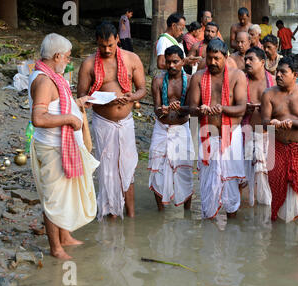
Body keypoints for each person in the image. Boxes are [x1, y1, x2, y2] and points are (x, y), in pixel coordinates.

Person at [29, 33, 99, 260]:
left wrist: (76, 105)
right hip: (51, 147)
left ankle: (65, 237)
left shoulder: (51, 76)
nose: (68, 61)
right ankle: (56, 248)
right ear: (57, 55)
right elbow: (38, 118)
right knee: (54, 199)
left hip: (60, 145)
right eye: (67, 58)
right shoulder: (44, 81)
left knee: (63, 194)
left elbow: (58, 105)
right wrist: (70, 119)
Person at [77, 22, 147, 220]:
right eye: (101, 46)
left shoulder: (132, 59)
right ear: (96, 43)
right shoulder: (89, 64)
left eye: (110, 45)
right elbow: (81, 95)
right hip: (103, 122)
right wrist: (99, 98)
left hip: (126, 121)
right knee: (107, 170)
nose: (106, 50)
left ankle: (131, 215)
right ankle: (110, 214)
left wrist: (130, 97)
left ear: (117, 39)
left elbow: (142, 89)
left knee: (128, 167)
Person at [188, 39, 247, 220]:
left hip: (231, 136)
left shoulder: (237, 76)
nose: (212, 62)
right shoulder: (198, 77)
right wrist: (200, 109)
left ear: (226, 57)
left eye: (217, 58)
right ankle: (209, 227)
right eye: (209, 58)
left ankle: (232, 228)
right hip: (208, 135)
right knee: (208, 184)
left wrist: (223, 108)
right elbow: (191, 107)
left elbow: (241, 108)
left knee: (230, 184)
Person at [261, 56, 298, 222]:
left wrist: (291, 123)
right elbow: (264, 123)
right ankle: (279, 229)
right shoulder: (268, 94)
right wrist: (273, 123)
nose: (278, 75)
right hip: (276, 147)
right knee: (276, 185)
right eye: (277, 71)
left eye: (283, 72)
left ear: (295, 75)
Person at [148, 46, 194, 211]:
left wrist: (180, 108)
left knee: (184, 170)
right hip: (162, 128)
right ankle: (160, 211)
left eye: (175, 62)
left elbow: (191, 108)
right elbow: (156, 109)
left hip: (182, 129)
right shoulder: (158, 81)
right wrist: (163, 110)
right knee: (157, 169)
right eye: (168, 62)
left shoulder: (190, 80)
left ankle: (187, 211)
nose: (172, 66)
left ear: (183, 61)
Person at [243, 47, 275, 206]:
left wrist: (268, 110)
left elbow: (283, 110)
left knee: (266, 175)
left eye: (251, 59)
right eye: (245, 59)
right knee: (243, 177)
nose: (247, 62)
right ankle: (246, 212)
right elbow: (229, 105)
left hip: (267, 135)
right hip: (245, 134)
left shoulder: (274, 81)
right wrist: (243, 108)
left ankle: (264, 213)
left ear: (262, 62)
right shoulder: (240, 80)